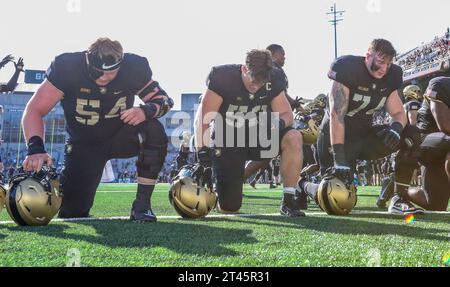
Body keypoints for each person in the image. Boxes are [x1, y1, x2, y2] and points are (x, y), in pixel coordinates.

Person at [21, 37, 173, 222]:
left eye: (110, 73)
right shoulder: (67, 67)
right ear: (87, 60)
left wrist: (146, 110)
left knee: (153, 129)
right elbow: (34, 110)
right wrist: (35, 148)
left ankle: (142, 206)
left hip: (120, 136)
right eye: (97, 72)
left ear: (121, 63)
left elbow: (164, 100)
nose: (103, 77)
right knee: (73, 212)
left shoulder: (133, 67)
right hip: (83, 144)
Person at [298, 39, 418, 212]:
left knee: (411, 135)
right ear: (368, 55)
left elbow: (399, 113)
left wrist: (396, 129)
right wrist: (339, 159)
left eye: (389, 64)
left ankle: (400, 198)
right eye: (380, 62)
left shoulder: (391, 75)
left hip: (364, 135)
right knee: (337, 201)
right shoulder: (347, 67)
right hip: (336, 138)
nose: (385, 68)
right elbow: (336, 115)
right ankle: (302, 183)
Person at [194, 49, 304, 217]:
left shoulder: (274, 78)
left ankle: (289, 200)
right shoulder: (223, 77)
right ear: (244, 70)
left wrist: (276, 124)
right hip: (228, 138)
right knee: (229, 207)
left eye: (261, 83)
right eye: (253, 81)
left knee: (293, 136)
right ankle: (215, 188)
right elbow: (203, 120)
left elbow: (287, 115)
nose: (256, 87)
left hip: (259, 134)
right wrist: (203, 157)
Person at [391, 76, 450, 211]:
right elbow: (445, 126)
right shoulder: (440, 84)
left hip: (444, 148)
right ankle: (398, 193)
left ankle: (402, 192)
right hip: (424, 141)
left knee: (435, 205)